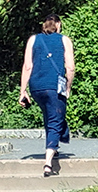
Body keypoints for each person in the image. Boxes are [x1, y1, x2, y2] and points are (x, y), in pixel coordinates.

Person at [18, 13, 75, 177]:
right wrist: (68, 87)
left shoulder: (33, 40)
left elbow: (27, 66)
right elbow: (70, 67)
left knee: (50, 115)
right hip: (54, 86)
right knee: (55, 119)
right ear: (58, 24)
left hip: (37, 87)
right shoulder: (64, 40)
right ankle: (48, 162)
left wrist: (23, 91)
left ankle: (55, 145)